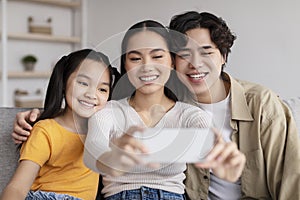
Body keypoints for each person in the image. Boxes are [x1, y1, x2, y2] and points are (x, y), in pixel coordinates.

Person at [83, 20, 245, 200]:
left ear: (172, 62)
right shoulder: (109, 113)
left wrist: (222, 156)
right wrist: (112, 159)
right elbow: (92, 153)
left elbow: (208, 140)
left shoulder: (189, 115)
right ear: (126, 66)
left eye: (157, 56)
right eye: (135, 58)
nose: (146, 66)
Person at [168, 11, 300, 199]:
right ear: (173, 62)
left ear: (223, 56)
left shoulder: (262, 103)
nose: (195, 64)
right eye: (184, 54)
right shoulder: (170, 108)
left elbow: (291, 180)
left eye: (206, 52)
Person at [1, 49, 117, 200]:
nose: (91, 94)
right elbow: (17, 187)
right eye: (83, 83)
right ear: (63, 83)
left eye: (102, 89)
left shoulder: (103, 132)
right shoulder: (46, 131)